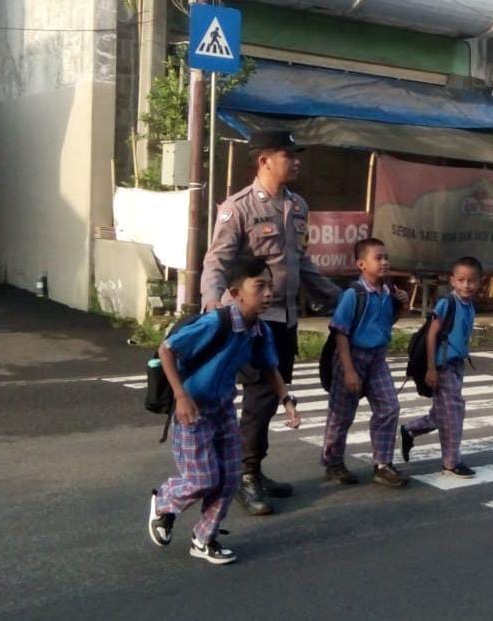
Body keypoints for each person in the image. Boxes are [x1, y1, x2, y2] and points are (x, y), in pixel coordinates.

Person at [201, 129, 340, 516]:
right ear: (264, 160)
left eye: (297, 154)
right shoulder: (238, 207)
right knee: (260, 396)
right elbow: (217, 261)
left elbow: (301, 262)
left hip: (287, 318)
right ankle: (244, 478)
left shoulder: (297, 205)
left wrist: (337, 297)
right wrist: (215, 306)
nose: (296, 161)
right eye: (288, 154)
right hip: (251, 319)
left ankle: (254, 471)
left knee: (269, 398)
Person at [148, 256, 301, 565]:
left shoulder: (259, 330)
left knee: (230, 478)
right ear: (235, 292)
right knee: (202, 479)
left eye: (270, 286)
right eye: (260, 286)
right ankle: (163, 503)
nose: (268, 293)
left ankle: (204, 540)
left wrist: (287, 401)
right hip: (192, 410)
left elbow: (269, 367)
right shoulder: (215, 322)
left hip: (222, 410)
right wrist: (180, 396)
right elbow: (167, 349)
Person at [321, 238, 410, 487]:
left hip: (377, 358)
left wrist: (401, 306)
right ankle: (333, 462)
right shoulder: (353, 294)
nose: (385, 262)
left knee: (389, 407)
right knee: (341, 414)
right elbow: (340, 332)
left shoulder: (387, 292)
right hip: (352, 356)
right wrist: (349, 371)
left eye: (386, 257)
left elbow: (386, 323)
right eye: (378, 258)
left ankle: (382, 464)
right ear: (361, 264)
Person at [400, 257, 481, 478]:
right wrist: (431, 368)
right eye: (461, 280)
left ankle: (410, 430)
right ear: (452, 280)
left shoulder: (470, 304)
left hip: (457, 366)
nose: (466, 285)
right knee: (454, 414)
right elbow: (432, 334)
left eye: (471, 281)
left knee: (442, 414)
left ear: (479, 283)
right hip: (442, 366)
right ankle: (451, 463)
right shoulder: (448, 303)